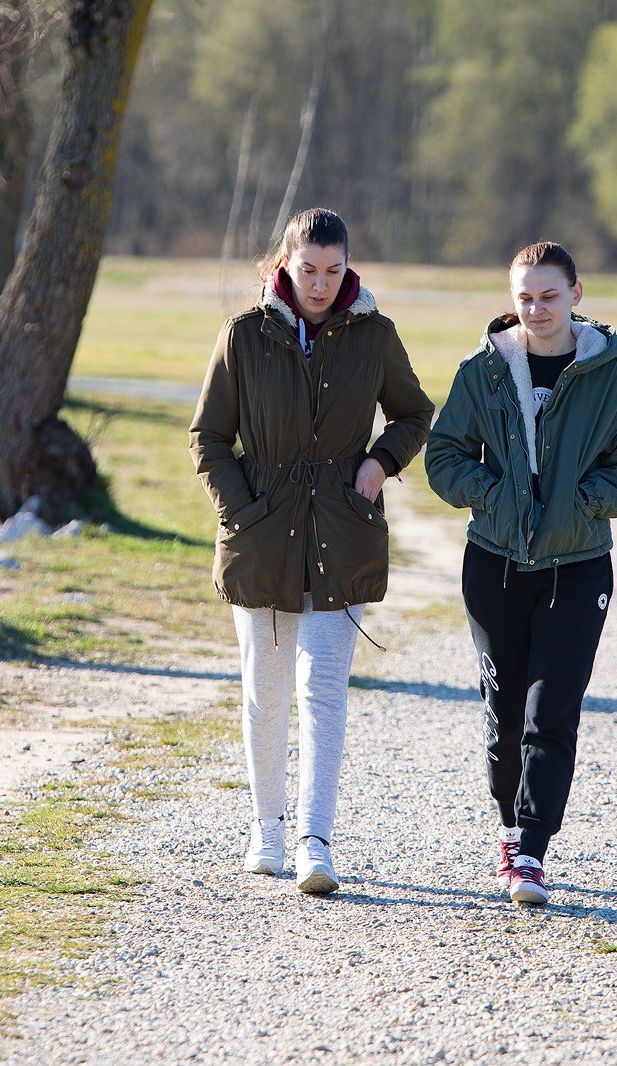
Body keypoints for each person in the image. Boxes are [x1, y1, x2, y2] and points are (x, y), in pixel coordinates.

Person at [190, 208, 434, 894]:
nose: (320, 285)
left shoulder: (375, 336)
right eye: (308, 270)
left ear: (347, 267)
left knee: (321, 692)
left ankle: (315, 843)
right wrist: (243, 511)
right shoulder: (243, 335)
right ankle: (265, 829)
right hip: (261, 539)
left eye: (333, 271)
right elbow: (207, 437)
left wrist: (379, 465)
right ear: (285, 265)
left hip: (341, 533)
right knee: (265, 696)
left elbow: (415, 413)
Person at [424, 241, 617, 906]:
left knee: (550, 712)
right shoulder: (483, 371)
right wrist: (496, 496)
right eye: (524, 297)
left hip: (578, 569)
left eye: (550, 295)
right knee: (502, 712)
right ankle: (507, 826)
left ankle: (530, 849)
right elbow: (444, 455)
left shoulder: (614, 378)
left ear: (577, 295)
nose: (536, 308)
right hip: (493, 566)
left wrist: (580, 503)